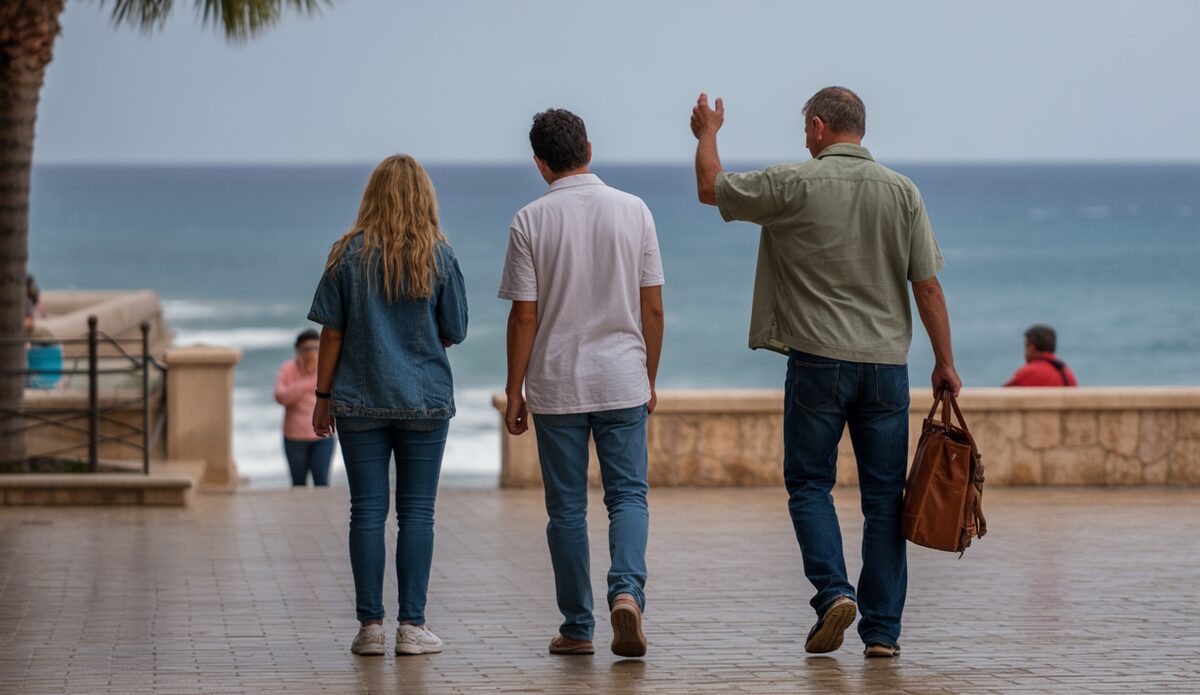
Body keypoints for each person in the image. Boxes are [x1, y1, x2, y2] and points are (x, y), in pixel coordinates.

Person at [690, 87, 961, 659]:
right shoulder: (902, 191)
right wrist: (945, 363)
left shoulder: (793, 183)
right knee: (885, 499)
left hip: (817, 363)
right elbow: (928, 286)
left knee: (810, 483)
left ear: (817, 128)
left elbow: (710, 188)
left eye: (803, 130)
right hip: (887, 368)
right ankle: (882, 633)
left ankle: (834, 591)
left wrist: (708, 133)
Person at [500, 108, 665, 658]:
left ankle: (577, 627)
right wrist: (650, 378)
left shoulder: (529, 220)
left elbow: (525, 316)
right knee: (628, 497)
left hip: (557, 385)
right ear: (589, 149)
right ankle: (627, 593)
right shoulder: (635, 210)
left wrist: (514, 389)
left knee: (566, 509)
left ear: (540, 163)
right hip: (622, 379)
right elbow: (653, 309)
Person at [307, 154, 468, 657]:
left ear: (372, 195)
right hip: (424, 400)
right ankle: (412, 628)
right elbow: (455, 330)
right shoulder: (439, 256)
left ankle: (370, 628)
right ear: (424, 197)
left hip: (358, 400)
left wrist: (322, 398)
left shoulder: (346, 255)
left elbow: (331, 333)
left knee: (367, 513)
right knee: (418, 514)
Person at [273, 329, 334, 486]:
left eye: (316, 348)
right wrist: (310, 380)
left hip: (323, 436)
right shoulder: (289, 368)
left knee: (321, 482)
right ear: (298, 350)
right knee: (298, 483)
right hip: (294, 437)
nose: (312, 353)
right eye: (307, 349)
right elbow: (281, 396)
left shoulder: (326, 368)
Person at [1004, 324, 1077, 387]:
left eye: (1026, 346)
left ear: (1031, 347)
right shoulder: (1066, 372)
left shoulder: (1028, 373)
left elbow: (1000, 397)